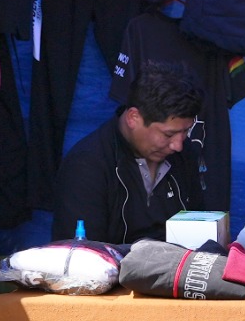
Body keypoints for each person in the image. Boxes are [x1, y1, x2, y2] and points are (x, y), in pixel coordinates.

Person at [51, 60, 204, 244]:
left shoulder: (183, 153)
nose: (178, 145)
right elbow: (83, 258)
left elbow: (201, 229)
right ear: (133, 118)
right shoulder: (86, 167)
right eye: (168, 134)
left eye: (185, 131)